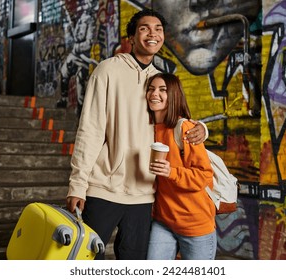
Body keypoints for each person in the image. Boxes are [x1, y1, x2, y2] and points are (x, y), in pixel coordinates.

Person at [66, 9, 208, 260]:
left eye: (158, 29)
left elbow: (177, 121)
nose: (152, 34)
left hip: (143, 196)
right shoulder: (107, 70)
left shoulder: (160, 81)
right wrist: (78, 184)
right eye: (144, 28)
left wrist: (202, 129)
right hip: (103, 188)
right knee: (84, 261)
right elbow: (91, 129)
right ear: (131, 37)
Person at [146, 73, 217, 260]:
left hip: (195, 224)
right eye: (151, 89)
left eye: (162, 90)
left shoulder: (185, 128)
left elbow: (204, 176)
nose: (154, 94)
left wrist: (171, 172)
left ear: (174, 95)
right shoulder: (147, 128)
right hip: (163, 221)